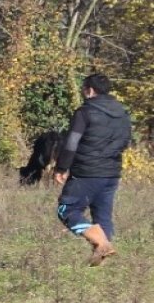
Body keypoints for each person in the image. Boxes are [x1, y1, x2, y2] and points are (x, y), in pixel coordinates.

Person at [52, 73, 133, 266]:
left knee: (67, 209)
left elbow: (71, 143)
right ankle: (101, 261)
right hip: (112, 172)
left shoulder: (85, 112)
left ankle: (101, 242)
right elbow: (127, 141)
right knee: (102, 215)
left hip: (86, 172)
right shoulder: (122, 112)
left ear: (89, 90)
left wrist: (61, 167)